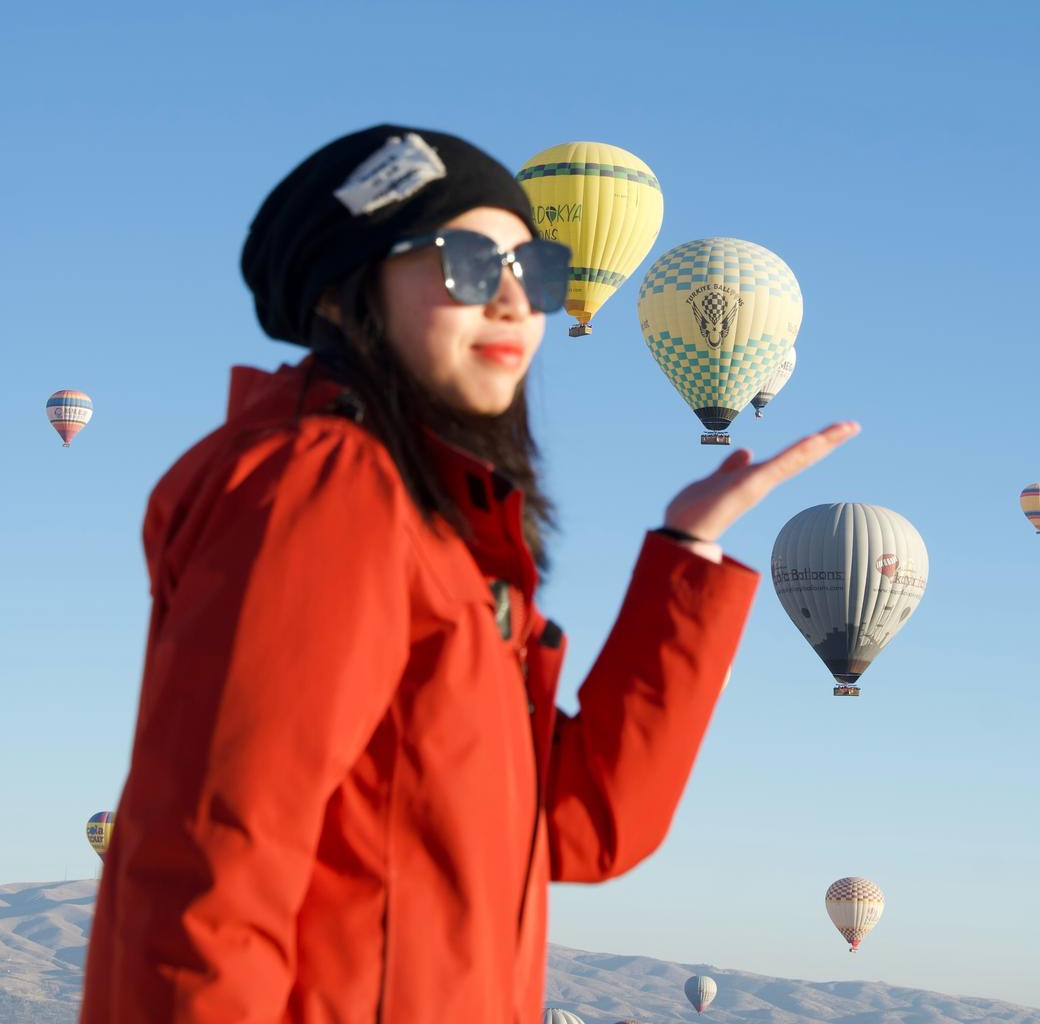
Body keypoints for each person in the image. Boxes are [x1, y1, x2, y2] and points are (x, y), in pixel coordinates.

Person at [80, 125, 858, 1023]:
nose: (515, 301)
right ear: (340, 292)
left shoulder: (436, 531)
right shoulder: (324, 483)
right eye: (469, 265)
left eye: (537, 270)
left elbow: (580, 825)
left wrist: (689, 553)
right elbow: (213, 857)